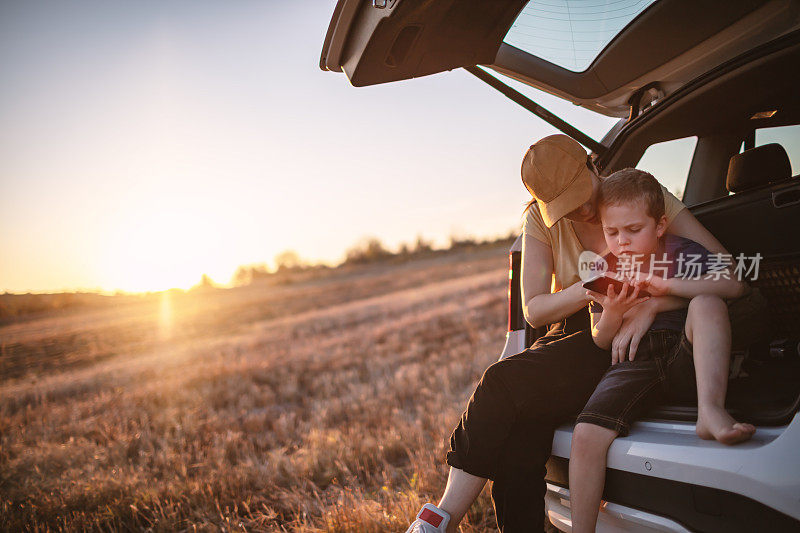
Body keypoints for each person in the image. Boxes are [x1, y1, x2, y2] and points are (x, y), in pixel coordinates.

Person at [406, 134, 734, 533]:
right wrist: (591, 285)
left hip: (621, 322)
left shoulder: (636, 195)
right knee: (520, 431)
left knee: (500, 382)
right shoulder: (538, 221)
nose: (580, 210)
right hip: (579, 319)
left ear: (593, 167)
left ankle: (441, 519)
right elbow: (534, 308)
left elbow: (723, 269)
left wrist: (651, 302)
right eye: (565, 206)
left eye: (582, 196)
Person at [569, 168, 756, 533]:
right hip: (633, 360)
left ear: (659, 226)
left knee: (707, 302)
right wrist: (613, 314)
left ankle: (710, 412)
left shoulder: (680, 252)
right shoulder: (604, 268)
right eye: (612, 232)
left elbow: (735, 285)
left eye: (633, 230)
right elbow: (600, 339)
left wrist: (663, 286)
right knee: (585, 435)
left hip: (686, 351)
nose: (621, 241)